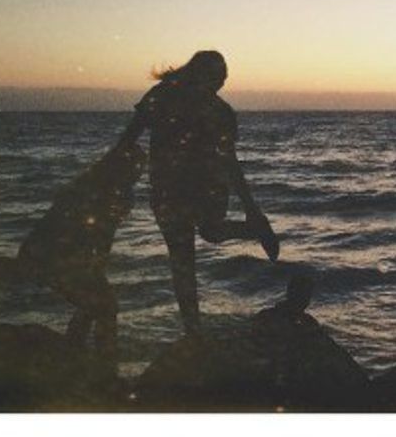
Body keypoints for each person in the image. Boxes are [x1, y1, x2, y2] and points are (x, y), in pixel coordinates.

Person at [118, 50, 280, 336]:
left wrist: (251, 208)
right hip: (169, 189)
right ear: (198, 74)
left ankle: (255, 229)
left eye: (223, 78)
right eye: (217, 77)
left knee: (209, 235)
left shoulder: (219, 111)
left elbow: (230, 161)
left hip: (202, 187)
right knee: (183, 259)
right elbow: (130, 137)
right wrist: (116, 177)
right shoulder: (163, 95)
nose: (221, 83)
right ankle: (192, 331)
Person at [17, 142, 146, 370]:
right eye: (134, 167)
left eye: (140, 167)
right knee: (105, 307)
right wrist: (93, 267)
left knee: (95, 305)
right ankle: (105, 366)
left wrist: (95, 267)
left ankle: (76, 353)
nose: (138, 173)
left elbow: (101, 236)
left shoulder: (98, 186)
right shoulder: (104, 191)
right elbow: (98, 234)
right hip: (49, 254)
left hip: (49, 253)